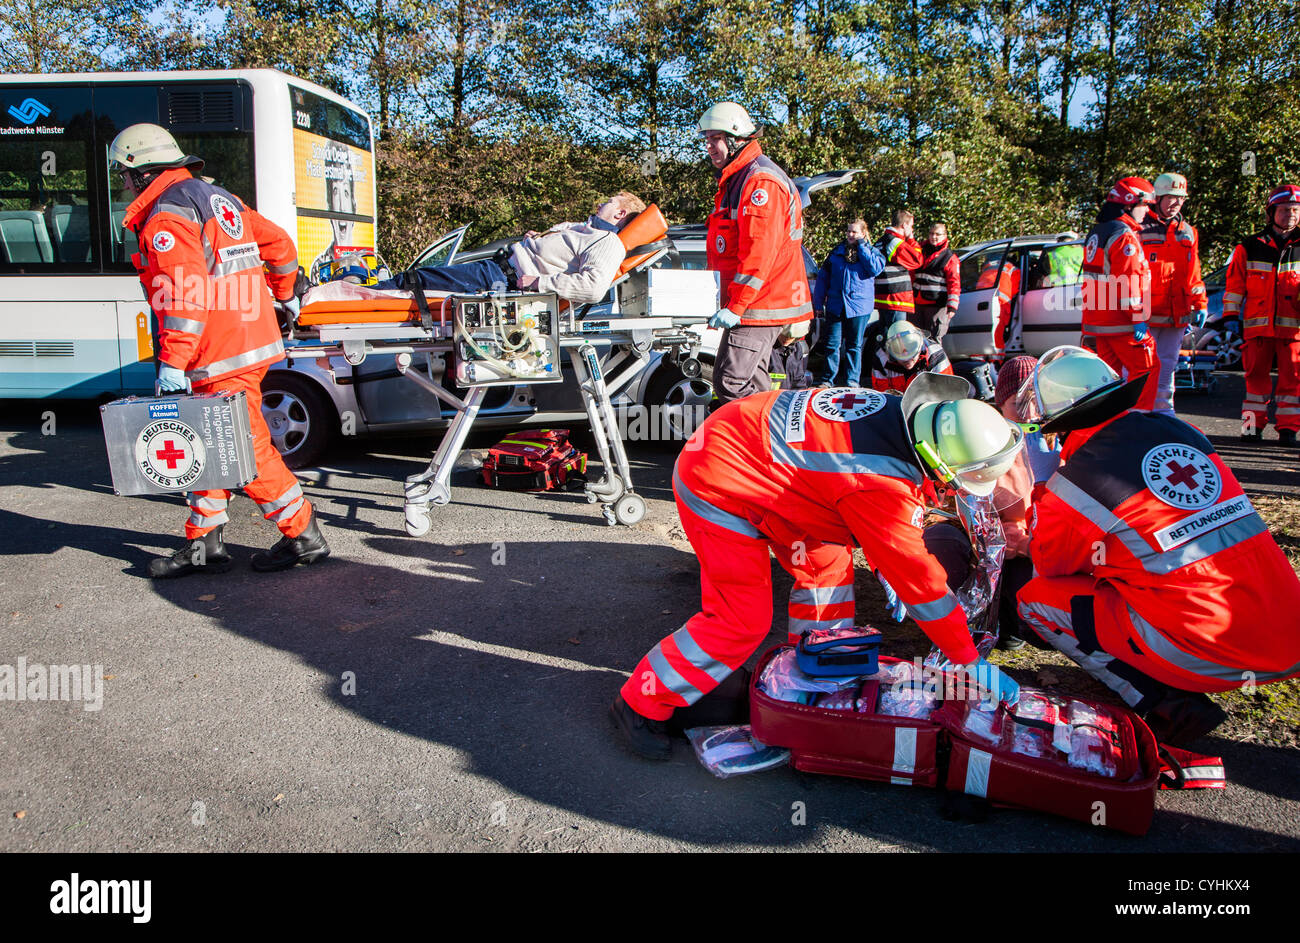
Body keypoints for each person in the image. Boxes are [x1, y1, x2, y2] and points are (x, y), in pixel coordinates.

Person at [609, 374, 1025, 759]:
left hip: (769, 464)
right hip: (719, 479)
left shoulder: (908, 416)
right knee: (740, 619)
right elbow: (922, 584)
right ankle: (641, 702)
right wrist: (967, 660)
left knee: (827, 573)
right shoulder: (880, 483)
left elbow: (847, 490)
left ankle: (804, 679)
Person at [1016, 346, 1300, 745]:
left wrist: (1044, 486)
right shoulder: (1184, 432)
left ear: (1057, 422)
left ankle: (1165, 702)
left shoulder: (1075, 482)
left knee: (1034, 599)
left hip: (1210, 650)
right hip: (1288, 626)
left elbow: (1050, 566)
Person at [109, 123, 331, 577]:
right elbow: (280, 246)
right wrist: (286, 293)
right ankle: (203, 544)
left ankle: (304, 535)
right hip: (248, 341)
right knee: (204, 440)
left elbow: (186, 298)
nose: (123, 185)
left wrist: (171, 362)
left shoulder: (167, 217)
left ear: (139, 173)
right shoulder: (217, 198)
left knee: (245, 449)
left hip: (215, 353)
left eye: (123, 175)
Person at [699, 103, 813, 407]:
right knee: (754, 381)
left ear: (736, 138)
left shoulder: (760, 181)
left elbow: (759, 251)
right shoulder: (739, 177)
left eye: (715, 139)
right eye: (706, 140)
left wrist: (736, 306)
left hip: (760, 303)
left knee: (731, 381)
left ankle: (771, 439)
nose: (709, 147)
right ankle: (772, 445)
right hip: (753, 302)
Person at [376, 192, 647, 305]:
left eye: (609, 202)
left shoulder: (607, 243)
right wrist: (538, 238)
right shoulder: (586, 229)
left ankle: (348, 295)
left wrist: (539, 282)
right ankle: (356, 291)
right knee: (419, 280)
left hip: (500, 279)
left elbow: (592, 287)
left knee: (417, 280)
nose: (601, 203)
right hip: (497, 270)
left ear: (620, 212)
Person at [1223, 184, 1300, 444]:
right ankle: (1250, 428)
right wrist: (1231, 316)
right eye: (1285, 209)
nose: (1290, 214)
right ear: (1271, 212)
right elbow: (1234, 286)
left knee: (1293, 382)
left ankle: (1289, 430)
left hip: (1294, 328)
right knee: (1254, 382)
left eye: (1295, 210)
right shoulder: (1250, 246)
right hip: (1257, 327)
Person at [1080, 176, 1159, 411]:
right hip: (1121, 322)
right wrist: (1138, 319)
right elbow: (1128, 283)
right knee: (1147, 369)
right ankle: (1139, 420)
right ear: (1130, 203)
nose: (1147, 212)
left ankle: (1111, 423)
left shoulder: (1098, 231)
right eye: (1145, 205)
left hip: (1098, 321)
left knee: (1107, 378)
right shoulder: (1124, 236)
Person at [1140, 173, 1208, 416]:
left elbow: (1193, 274)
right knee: (1140, 367)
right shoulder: (1138, 228)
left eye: (1180, 199)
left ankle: (1164, 414)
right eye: (1171, 197)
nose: (1176, 203)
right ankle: (1137, 414)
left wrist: (1200, 303)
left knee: (1168, 366)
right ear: (1157, 197)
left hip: (1175, 314)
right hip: (1144, 314)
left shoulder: (1188, 233)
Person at [810, 219, 886, 386]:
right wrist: (818, 303)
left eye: (855, 232)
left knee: (854, 346)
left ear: (863, 234)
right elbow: (823, 278)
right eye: (849, 231)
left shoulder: (873, 252)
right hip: (836, 305)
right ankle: (828, 380)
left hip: (859, 307)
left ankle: (852, 381)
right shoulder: (836, 252)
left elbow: (875, 269)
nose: (851, 235)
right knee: (832, 345)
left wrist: (862, 247)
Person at [868, 321, 953, 393]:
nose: (907, 359)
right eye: (902, 358)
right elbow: (883, 397)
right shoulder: (881, 359)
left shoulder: (935, 355)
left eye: (912, 355)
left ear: (920, 347)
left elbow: (945, 392)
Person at [873, 210, 924, 329]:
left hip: (884, 298)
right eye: (911, 226)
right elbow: (917, 260)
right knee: (897, 339)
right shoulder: (894, 242)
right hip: (895, 298)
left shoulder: (880, 241)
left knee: (886, 338)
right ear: (904, 225)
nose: (911, 230)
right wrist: (911, 240)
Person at [912, 222, 961, 340]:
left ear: (945, 236)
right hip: (917, 304)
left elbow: (954, 283)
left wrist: (952, 306)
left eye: (938, 234)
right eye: (931, 233)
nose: (934, 237)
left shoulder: (949, 257)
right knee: (915, 340)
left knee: (933, 340)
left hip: (936, 305)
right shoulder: (920, 250)